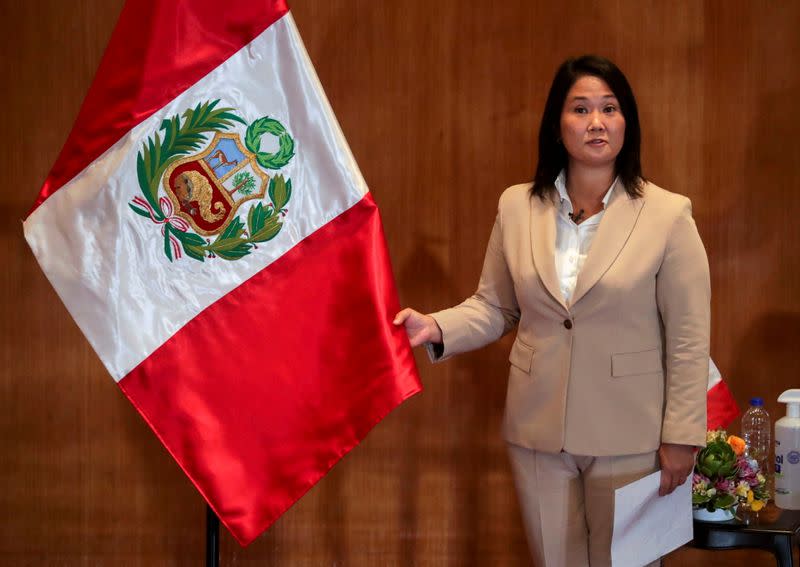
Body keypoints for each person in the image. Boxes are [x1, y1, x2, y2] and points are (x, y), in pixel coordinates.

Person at [394, 55, 709, 567]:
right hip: (537, 430)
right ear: (557, 126)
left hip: (631, 432)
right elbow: (494, 306)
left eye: (610, 108)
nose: (597, 122)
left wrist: (682, 437)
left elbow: (690, 337)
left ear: (627, 121)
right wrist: (434, 326)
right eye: (581, 109)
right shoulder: (517, 207)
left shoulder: (669, 214)